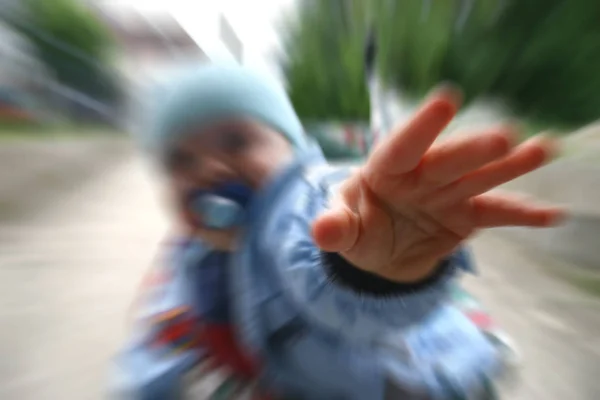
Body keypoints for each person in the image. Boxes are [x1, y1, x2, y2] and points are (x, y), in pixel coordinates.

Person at [111, 64, 563, 399]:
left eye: (236, 142)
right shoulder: (191, 252)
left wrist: (370, 269)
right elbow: (164, 328)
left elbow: (322, 277)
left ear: (292, 148)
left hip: (381, 381)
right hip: (286, 371)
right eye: (180, 161)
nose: (207, 168)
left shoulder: (299, 205)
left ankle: (473, 348)